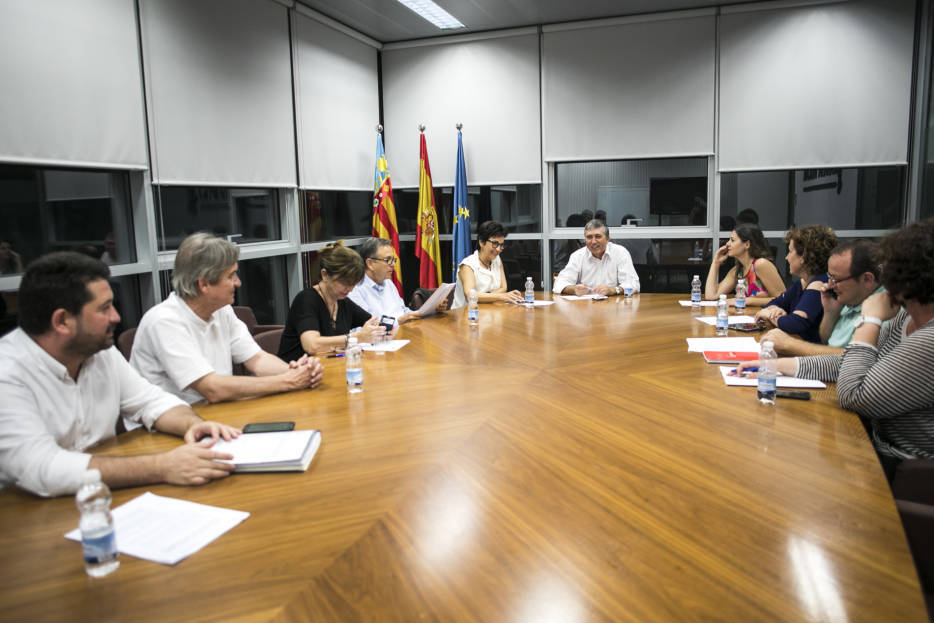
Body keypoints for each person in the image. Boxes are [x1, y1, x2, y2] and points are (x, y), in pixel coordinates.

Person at [0, 252, 240, 497]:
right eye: (104, 308)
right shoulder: (7, 374)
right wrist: (162, 466)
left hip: (101, 494)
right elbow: (42, 468)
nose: (116, 317)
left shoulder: (99, 353)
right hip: (26, 514)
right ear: (62, 321)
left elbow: (152, 402)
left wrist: (193, 425)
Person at [736, 220, 934, 480]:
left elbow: (854, 394)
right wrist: (776, 366)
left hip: (904, 468)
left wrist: (870, 320)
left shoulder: (928, 339)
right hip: (877, 444)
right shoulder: (904, 319)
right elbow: (852, 362)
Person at [131, 233, 323, 405]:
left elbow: (257, 360)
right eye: (231, 276)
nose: (238, 282)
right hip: (165, 431)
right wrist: (288, 381)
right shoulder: (164, 321)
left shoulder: (222, 311)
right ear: (204, 284)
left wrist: (299, 373)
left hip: (213, 416)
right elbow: (212, 388)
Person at [760, 240, 884, 356]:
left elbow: (854, 358)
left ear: (867, 279)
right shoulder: (852, 298)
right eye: (830, 277)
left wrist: (790, 344)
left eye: (836, 279)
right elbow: (826, 341)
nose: (830, 284)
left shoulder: (885, 311)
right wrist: (831, 313)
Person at [278, 242, 382, 360]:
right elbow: (312, 345)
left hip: (329, 367)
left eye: (353, 284)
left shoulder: (343, 301)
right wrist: (355, 338)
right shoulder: (306, 300)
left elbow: (371, 322)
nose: (350, 289)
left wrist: (382, 329)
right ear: (325, 275)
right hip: (296, 371)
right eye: (344, 283)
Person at [754, 225, 837, 344]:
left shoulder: (819, 284)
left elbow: (795, 324)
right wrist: (776, 310)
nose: (786, 257)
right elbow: (774, 303)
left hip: (810, 354)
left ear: (803, 256)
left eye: (790, 251)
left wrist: (772, 316)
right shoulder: (802, 283)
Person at [348, 237, 447, 327]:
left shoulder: (388, 283)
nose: (393, 264)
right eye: (388, 260)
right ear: (370, 263)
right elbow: (362, 327)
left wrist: (432, 310)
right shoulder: (355, 289)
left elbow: (403, 311)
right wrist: (398, 322)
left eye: (393, 260)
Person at [704, 223, 785, 306]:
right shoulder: (738, 270)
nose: (727, 244)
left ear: (747, 244)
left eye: (732, 240)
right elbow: (711, 296)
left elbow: (783, 299)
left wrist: (747, 301)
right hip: (749, 316)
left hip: (768, 317)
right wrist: (716, 262)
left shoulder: (761, 264)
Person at [553, 219, 640, 296]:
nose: (593, 242)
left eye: (598, 236)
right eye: (589, 237)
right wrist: (573, 289)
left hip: (613, 308)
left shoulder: (620, 253)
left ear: (607, 239)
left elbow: (633, 284)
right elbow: (558, 284)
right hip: (585, 308)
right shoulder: (577, 256)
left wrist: (612, 290)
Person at [452, 220, 522, 308]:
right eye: (495, 244)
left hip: (488, 311)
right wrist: (500, 296)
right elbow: (470, 295)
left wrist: (485, 297)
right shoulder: (467, 265)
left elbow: (504, 288)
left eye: (501, 245)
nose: (498, 249)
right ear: (481, 242)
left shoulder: (497, 259)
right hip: (465, 315)